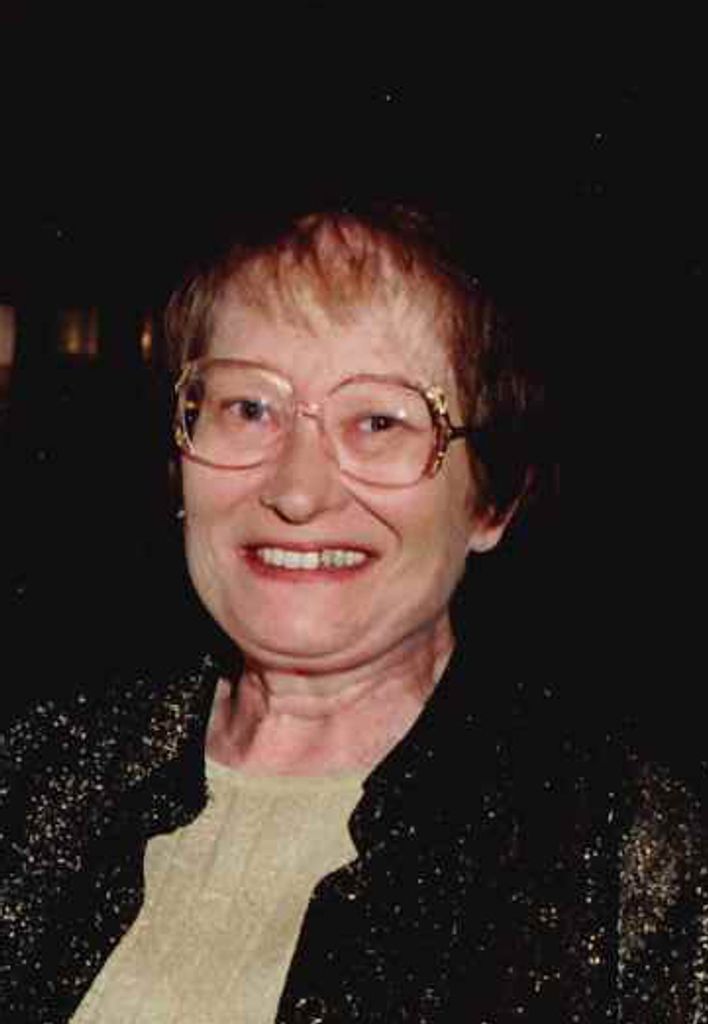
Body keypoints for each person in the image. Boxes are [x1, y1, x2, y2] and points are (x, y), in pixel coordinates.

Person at [0, 203, 704, 1023]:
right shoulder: (35, 776)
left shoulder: (624, 862)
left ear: (491, 500)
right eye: (248, 409)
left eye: (379, 421)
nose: (297, 492)